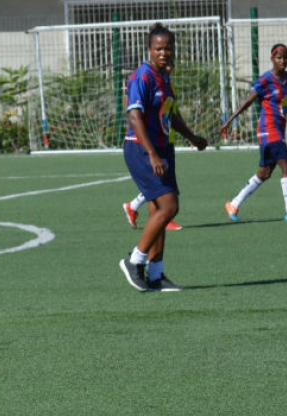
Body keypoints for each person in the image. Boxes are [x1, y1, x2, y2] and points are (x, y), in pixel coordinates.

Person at [118, 23, 209, 292]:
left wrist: (191, 137)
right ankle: (134, 261)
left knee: (159, 209)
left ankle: (156, 275)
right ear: (149, 49)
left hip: (163, 149)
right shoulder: (142, 77)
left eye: (168, 47)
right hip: (142, 149)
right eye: (159, 48)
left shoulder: (164, 77)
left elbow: (170, 113)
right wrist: (152, 154)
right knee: (170, 207)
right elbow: (134, 117)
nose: (164, 52)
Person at [219, 44, 287, 223]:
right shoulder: (265, 80)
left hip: (278, 129)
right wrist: (230, 120)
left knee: (265, 172)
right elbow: (247, 102)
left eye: (285, 57)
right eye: (278, 57)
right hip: (268, 129)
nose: (282, 61)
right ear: (272, 59)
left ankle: (234, 203)